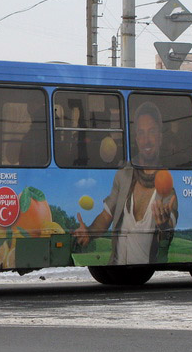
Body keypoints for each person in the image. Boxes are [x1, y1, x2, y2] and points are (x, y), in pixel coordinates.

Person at [73, 101, 178, 265]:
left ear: (160, 137)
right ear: (136, 138)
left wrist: (164, 225)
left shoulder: (166, 187)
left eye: (151, 132)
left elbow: (167, 235)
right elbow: (106, 216)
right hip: (115, 264)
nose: (146, 140)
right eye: (141, 133)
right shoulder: (124, 175)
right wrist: (90, 232)